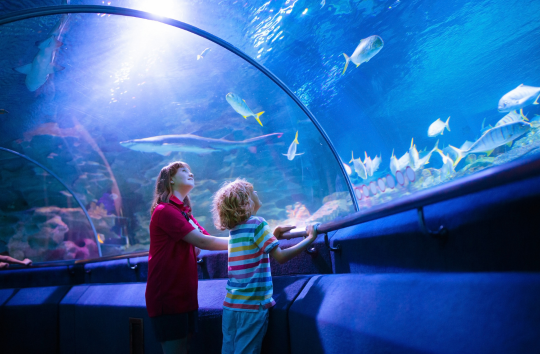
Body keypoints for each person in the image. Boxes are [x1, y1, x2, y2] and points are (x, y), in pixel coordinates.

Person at [211, 178, 319, 354]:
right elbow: (281, 257)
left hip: (231, 306)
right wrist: (309, 239)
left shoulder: (235, 230)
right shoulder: (257, 223)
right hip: (252, 307)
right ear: (244, 201)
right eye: (252, 192)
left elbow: (253, 248)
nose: (256, 193)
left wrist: (273, 234)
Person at [145, 161, 229, 354]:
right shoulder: (164, 211)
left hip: (185, 295)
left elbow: (204, 240)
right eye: (184, 171)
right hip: (167, 296)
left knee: (184, 349)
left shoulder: (184, 213)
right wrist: (248, 242)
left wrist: (247, 234)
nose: (190, 174)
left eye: (190, 171)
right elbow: (204, 243)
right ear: (171, 179)